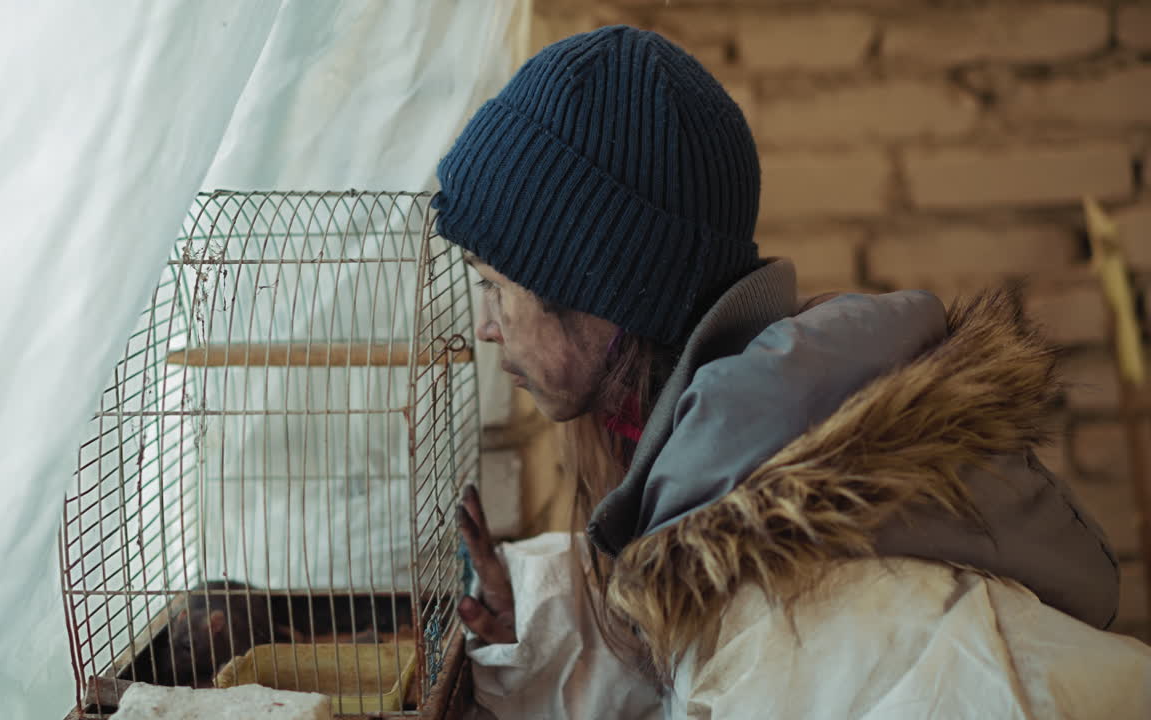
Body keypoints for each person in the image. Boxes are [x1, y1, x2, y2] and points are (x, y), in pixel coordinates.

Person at [434, 24, 1151, 719]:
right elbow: (690, 672)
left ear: (601, 290)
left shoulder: (801, 610)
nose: (487, 324)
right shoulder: (748, 470)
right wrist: (539, 622)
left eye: (494, 285)